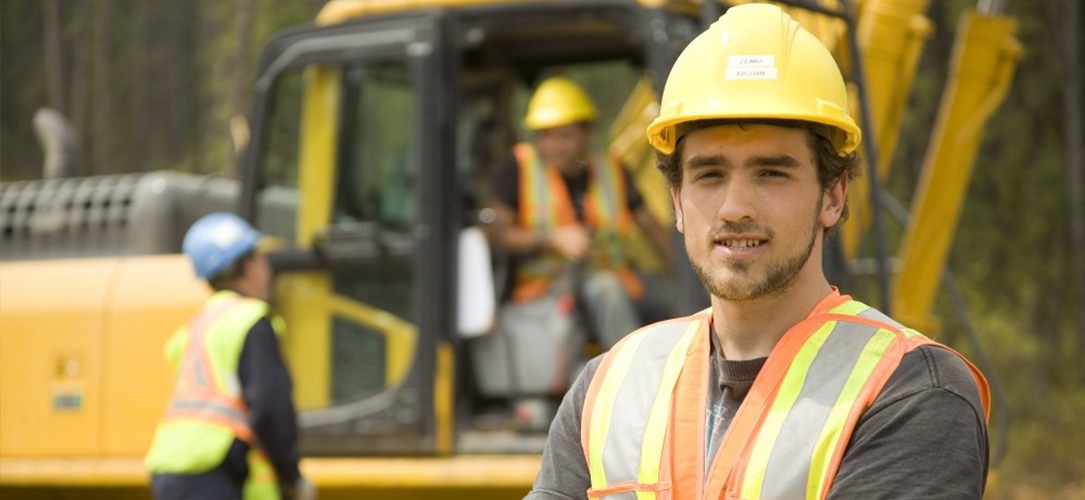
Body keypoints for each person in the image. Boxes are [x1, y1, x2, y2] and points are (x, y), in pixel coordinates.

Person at [526, 5, 990, 500]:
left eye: (771, 172)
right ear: (678, 201)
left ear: (833, 196)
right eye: (709, 174)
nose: (734, 208)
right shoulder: (608, 387)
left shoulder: (909, 392)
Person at [492, 75, 673, 348]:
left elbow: (652, 229)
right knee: (607, 290)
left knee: (680, 298)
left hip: (620, 279)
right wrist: (551, 239)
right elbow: (495, 235)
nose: (554, 146)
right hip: (548, 290)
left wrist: (689, 273)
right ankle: (630, 380)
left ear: (587, 133)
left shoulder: (612, 170)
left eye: (564, 136)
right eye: (545, 136)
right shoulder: (518, 168)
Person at [145, 212, 314, 500]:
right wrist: (292, 476)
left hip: (168, 468)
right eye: (261, 257)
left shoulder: (195, 327)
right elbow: (270, 409)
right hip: (214, 471)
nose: (268, 268)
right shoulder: (250, 320)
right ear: (248, 265)